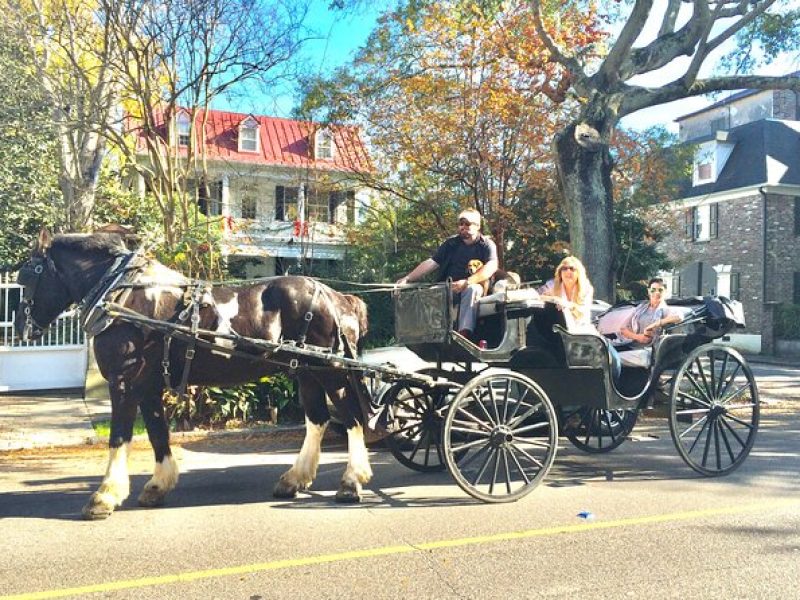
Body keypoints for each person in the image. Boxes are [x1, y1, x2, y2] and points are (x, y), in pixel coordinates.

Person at [396, 208, 498, 339]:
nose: (463, 227)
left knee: (472, 290)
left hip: (471, 287)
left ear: (477, 226)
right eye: (460, 224)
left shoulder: (487, 245)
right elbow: (432, 263)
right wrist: (408, 278)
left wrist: (468, 282)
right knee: (430, 292)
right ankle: (430, 334)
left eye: (467, 224)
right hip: (449, 287)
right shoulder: (451, 244)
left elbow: (492, 266)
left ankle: (464, 334)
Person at [610, 277, 683, 371]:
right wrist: (638, 337)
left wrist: (656, 324)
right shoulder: (640, 308)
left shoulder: (665, 310)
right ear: (649, 291)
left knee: (610, 359)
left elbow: (679, 316)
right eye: (653, 290)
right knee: (605, 353)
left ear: (665, 292)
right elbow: (623, 328)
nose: (656, 293)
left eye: (660, 290)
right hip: (629, 345)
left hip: (647, 351)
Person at [536, 256, 594, 330]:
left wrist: (565, 304)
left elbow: (579, 314)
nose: (568, 271)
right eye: (564, 268)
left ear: (579, 273)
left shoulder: (586, 288)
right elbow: (536, 295)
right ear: (560, 272)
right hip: (559, 330)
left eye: (572, 269)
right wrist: (554, 299)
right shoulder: (552, 285)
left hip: (581, 331)